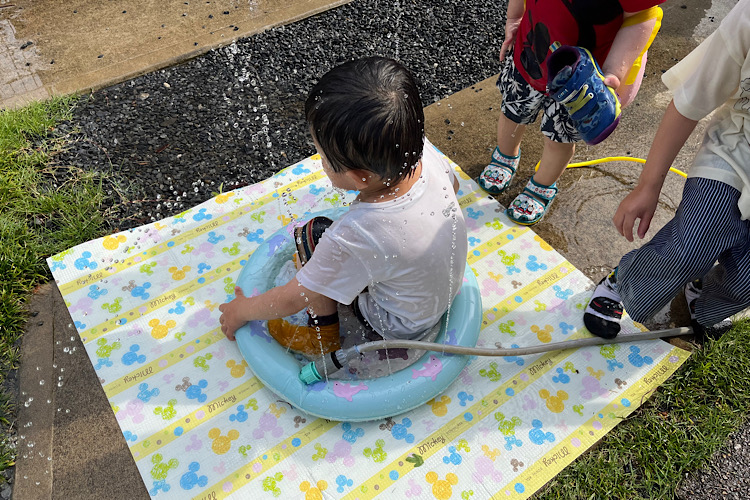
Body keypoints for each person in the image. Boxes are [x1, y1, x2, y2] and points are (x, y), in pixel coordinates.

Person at [219, 57, 468, 357]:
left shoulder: (356, 233)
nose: (321, 164)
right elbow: (452, 190)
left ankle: (321, 337)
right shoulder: (423, 152)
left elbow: (294, 297)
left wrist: (242, 310)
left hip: (393, 325)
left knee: (312, 235)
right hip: (435, 299)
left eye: (322, 159)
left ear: (360, 178)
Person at [584, 0, 750, 340]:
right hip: (736, 148)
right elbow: (690, 101)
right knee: (693, 244)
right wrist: (648, 185)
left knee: (746, 278)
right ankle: (627, 282)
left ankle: (707, 297)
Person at [478, 0, 663, 225]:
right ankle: (505, 157)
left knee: (560, 137)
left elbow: (641, 18)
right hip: (530, 52)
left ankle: (542, 184)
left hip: (580, 79)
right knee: (513, 111)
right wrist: (514, 17)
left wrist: (614, 70)